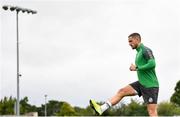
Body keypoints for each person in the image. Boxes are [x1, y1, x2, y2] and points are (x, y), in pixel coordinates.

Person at [89, 33, 159, 116]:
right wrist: (137, 67)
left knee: (152, 112)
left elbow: (152, 64)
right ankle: (101, 109)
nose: (129, 43)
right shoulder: (138, 53)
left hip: (150, 85)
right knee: (122, 91)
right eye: (128, 42)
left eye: (131, 41)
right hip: (141, 83)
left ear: (137, 40)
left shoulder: (145, 50)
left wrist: (137, 68)